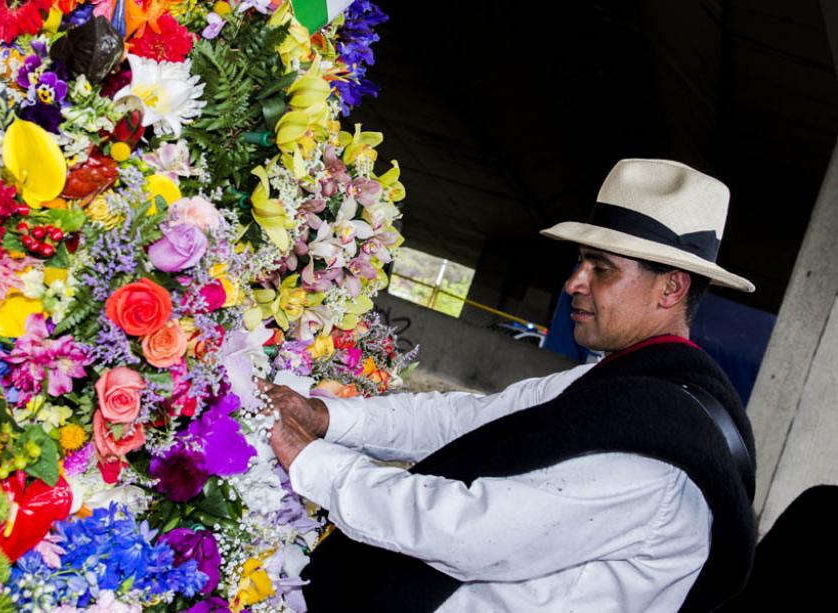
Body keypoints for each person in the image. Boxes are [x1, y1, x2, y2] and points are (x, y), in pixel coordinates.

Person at [260, 159, 757, 613]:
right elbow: (470, 420)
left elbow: (468, 533)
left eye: (601, 269)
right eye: (581, 261)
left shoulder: (660, 455)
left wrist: (314, 463)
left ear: (671, 288)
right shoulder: (620, 385)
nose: (574, 283)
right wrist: (327, 418)